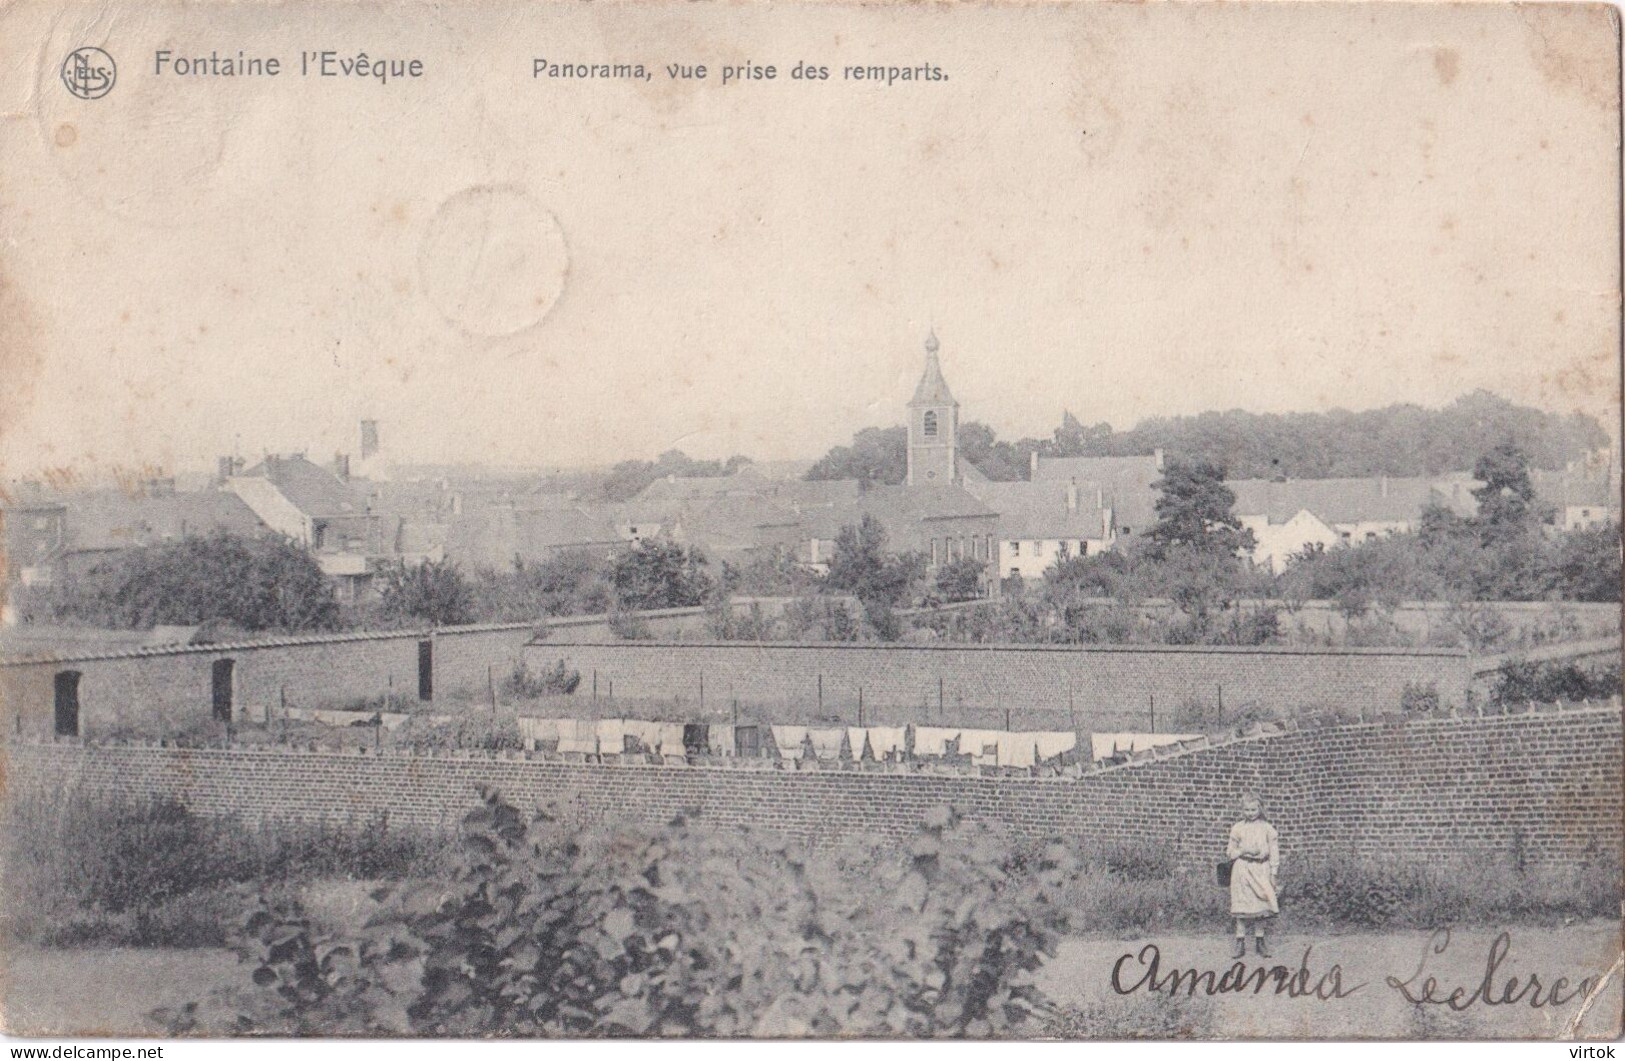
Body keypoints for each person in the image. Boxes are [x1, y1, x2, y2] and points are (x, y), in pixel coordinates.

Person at [1226, 794, 1280, 959]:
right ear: (1242, 810)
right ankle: (1240, 942)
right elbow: (1230, 852)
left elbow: (1274, 852)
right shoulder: (1238, 828)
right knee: (1241, 906)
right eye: (1247, 810)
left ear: (1260, 808)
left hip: (1261, 869)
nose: (1250, 813)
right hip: (1242, 868)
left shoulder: (1267, 828)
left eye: (1254, 809)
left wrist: (1273, 873)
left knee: (1261, 905)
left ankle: (1260, 941)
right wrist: (1243, 851)